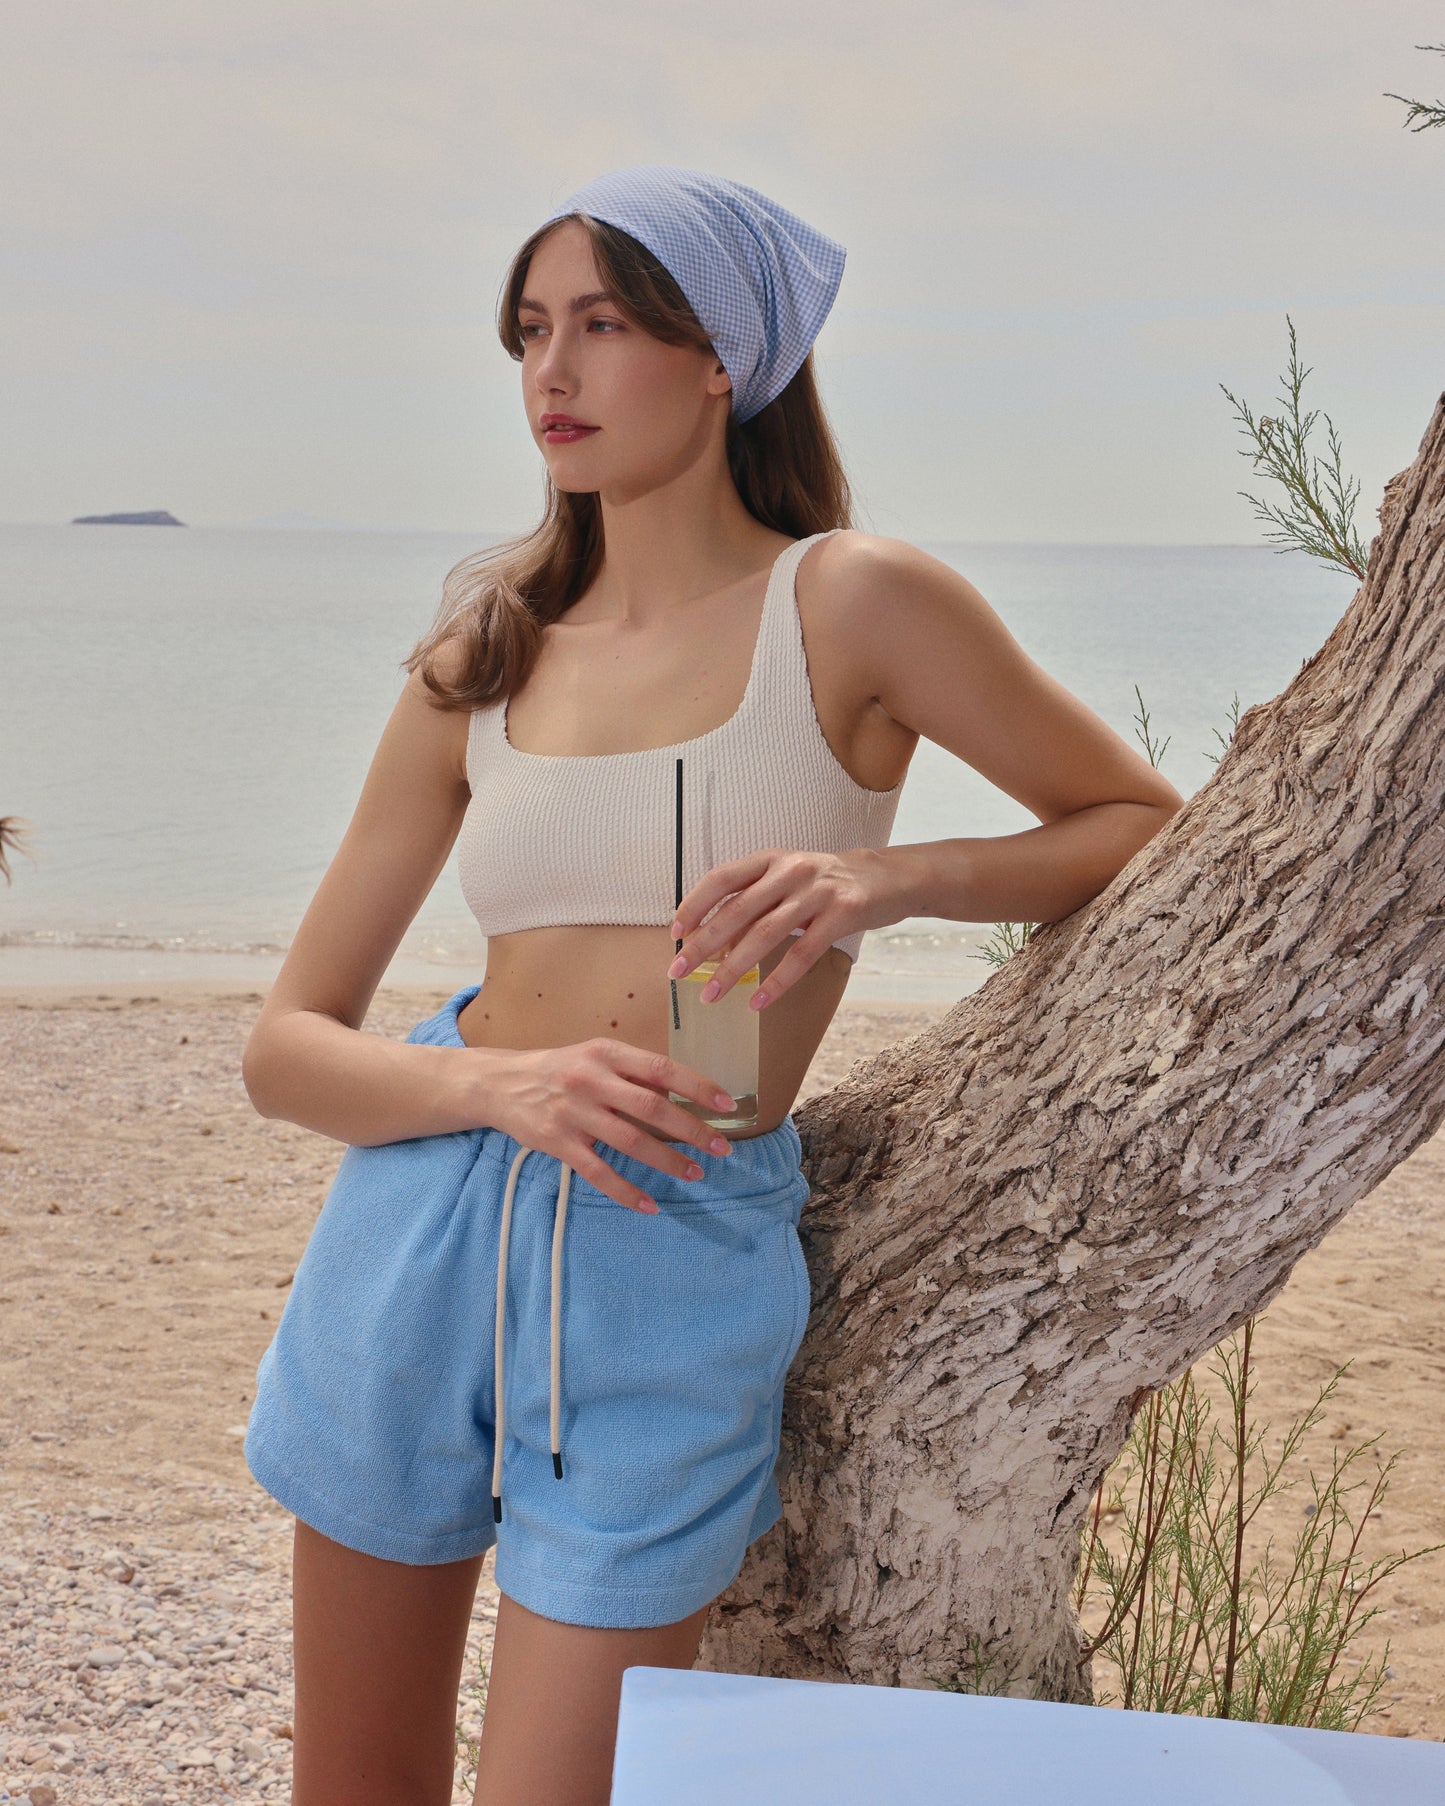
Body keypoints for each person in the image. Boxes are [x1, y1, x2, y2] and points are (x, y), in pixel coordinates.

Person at [240, 164, 1183, 1806]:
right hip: (418, 1229)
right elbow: (284, 1047)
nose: (553, 370)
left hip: (669, 1241)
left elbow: (1133, 824)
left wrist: (885, 879)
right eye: (530, 330)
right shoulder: (488, 652)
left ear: (718, 357)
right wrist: (490, 1085)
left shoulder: (853, 601)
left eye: (603, 324)